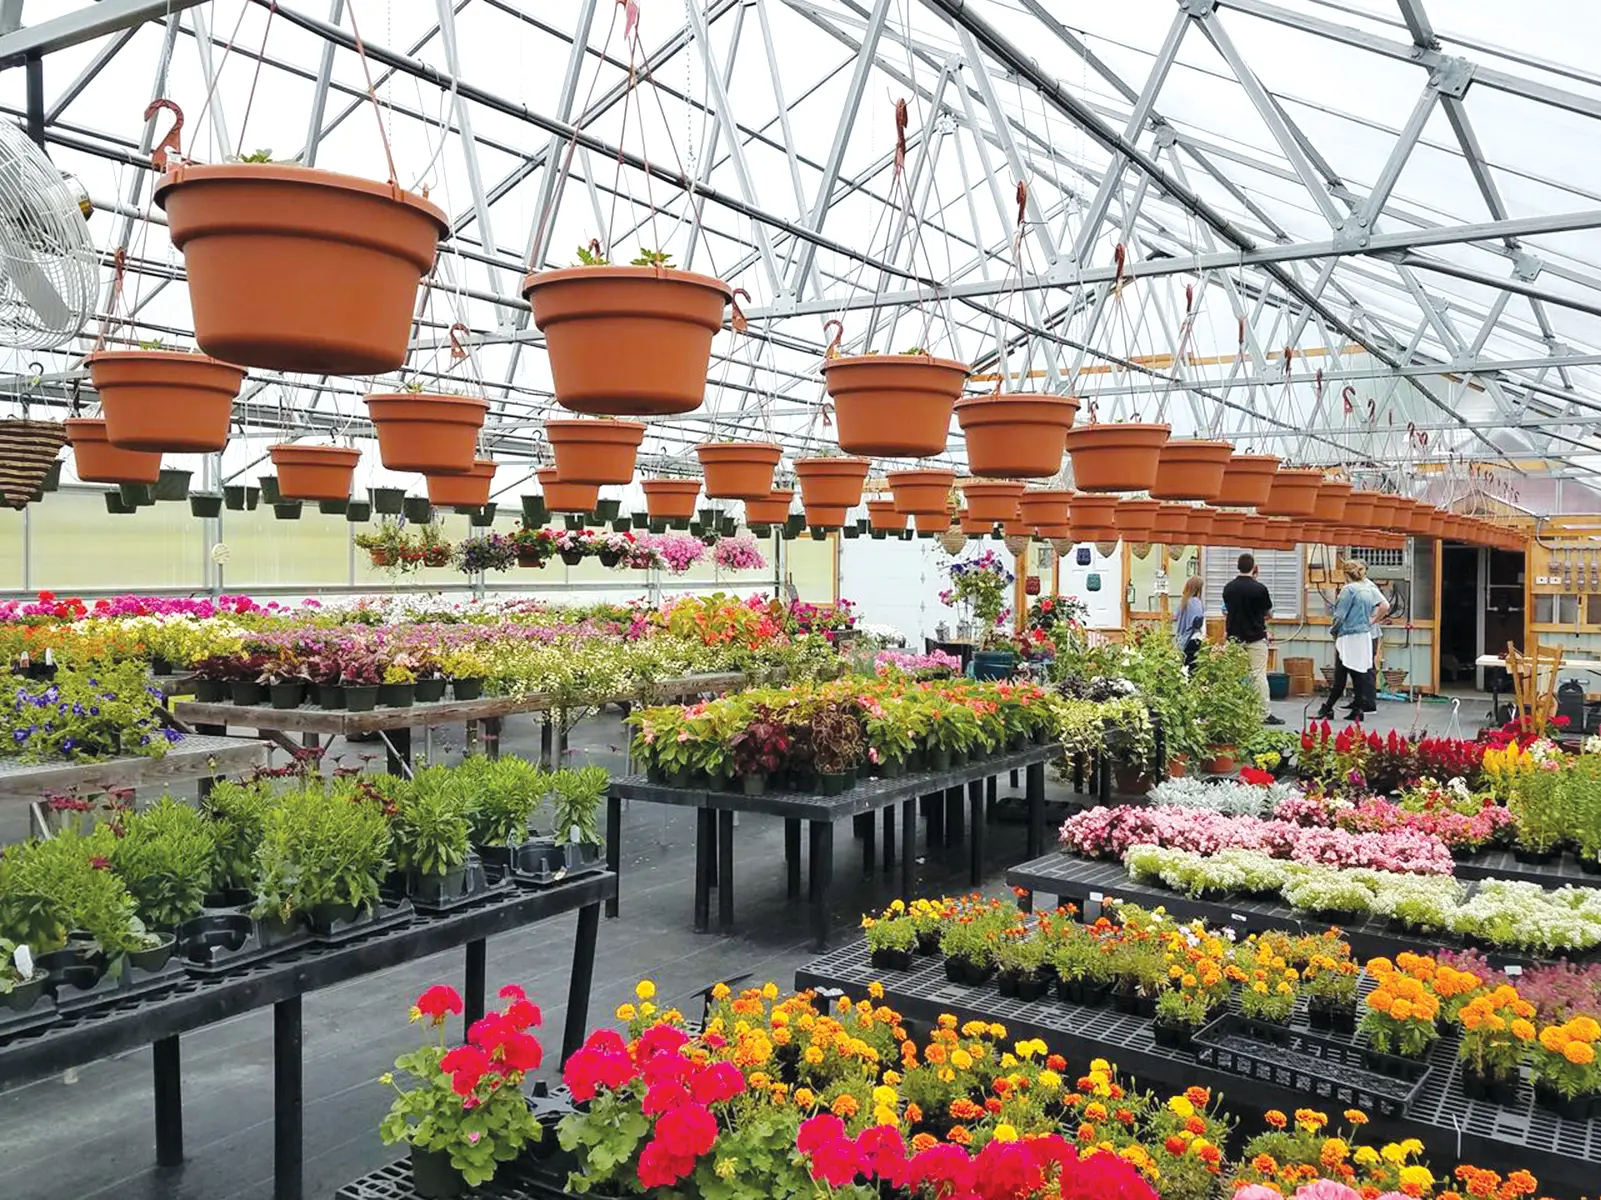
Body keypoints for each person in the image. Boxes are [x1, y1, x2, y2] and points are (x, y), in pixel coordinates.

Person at [1221, 553, 1282, 725]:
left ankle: (1231, 711)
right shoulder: (1260, 589)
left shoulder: (1228, 588)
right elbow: (1268, 613)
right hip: (1255, 636)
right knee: (1258, 675)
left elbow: (1226, 611)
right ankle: (1263, 713)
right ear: (1254, 568)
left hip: (1234, 637)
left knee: (1231, 675)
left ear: (1238, 566)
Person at [1323, 561, 1385, 722]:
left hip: (1348, 635)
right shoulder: (1368, 588)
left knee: (1341, 673)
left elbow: (1340, 615)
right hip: (1364, 635)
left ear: (1345, 574)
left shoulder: (1348, 590)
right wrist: (1371, 621)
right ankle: (1357, 709)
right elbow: (1384, 605)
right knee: (1359, 673)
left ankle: (1328, 708)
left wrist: (1334, 631)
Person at [1173, 574, 1205, 669]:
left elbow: (1176, 616)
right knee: (1192, 667)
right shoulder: (1196, 602)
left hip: (1183, 637)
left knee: (1184, 666)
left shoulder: (1184, 601)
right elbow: (1197, 622)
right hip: (1194, 637)